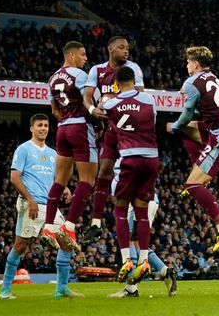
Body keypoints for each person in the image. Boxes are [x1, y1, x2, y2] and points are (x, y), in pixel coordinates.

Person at [166, 46, 219, 253]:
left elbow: (188, 113)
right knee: (187, 130)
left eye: (188, 61)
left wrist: (175, 126)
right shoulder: (211, 77)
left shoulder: (191, 83)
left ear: (195, 64)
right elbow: (205, 108)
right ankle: (198, 172)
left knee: (192, 185)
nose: (186, 64)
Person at [0, 114, 83, 300]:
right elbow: (14, 178)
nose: (43, 128)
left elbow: (56, 179)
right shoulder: (23, 149)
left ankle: (61, 288)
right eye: (39, 125)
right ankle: (5, 290)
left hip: (50, 206)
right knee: (20, 246)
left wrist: (65, 188)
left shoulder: (53, 154)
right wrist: (30, 199)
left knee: (66, 243)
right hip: (31, 204)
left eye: (45, 125)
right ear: (32, 128)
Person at [101, 67, 161, 286]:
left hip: (129, 157)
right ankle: (144, 260)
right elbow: (152, 120)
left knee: (120, 207)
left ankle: (127, 259)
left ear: (117, 83)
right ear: (135, 80)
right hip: (152, 158)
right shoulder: (148, 99)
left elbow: (99, 114)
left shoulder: (111, 103)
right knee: (142, 210)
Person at [82, 36, 145, 244]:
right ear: (110, 49)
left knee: (133, 172)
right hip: (110, 129)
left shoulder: (133, 68)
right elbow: (87, 96)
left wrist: (112, 101)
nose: (126, 51)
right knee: (104, 171)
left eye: (127, 47)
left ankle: (136, 218)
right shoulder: (97, 71)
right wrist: (93, 110)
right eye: (121, 47)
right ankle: (96, 223)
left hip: (129, 130)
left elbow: (140, 97)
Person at [41, 41, 98, 253]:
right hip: (80, 127)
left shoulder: (53, 77)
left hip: (62, 129)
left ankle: (48, 227)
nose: (85, 59)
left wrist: (66, 117)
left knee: (60, 180)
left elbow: (54, 110)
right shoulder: (80, 76)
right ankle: (70, 226)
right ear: (72, 55)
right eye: (83, 55)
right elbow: (90, 102)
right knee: (87, 179)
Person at [107, 193, 178, 298]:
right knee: (138, 243)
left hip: (135, 200)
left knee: (127, 239)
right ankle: (166, 272)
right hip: (151, 199)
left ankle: (131, 289)